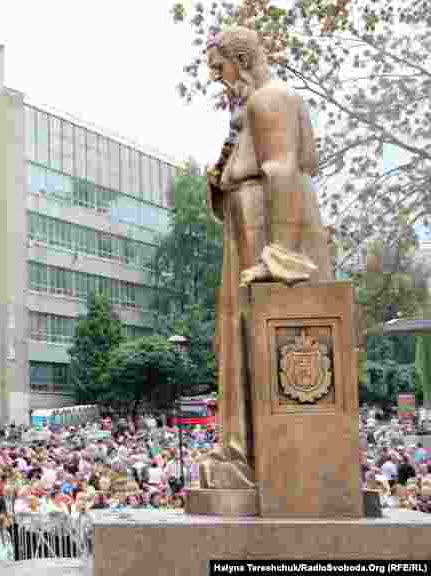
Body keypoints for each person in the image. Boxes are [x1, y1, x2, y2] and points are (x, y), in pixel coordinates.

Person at [200, 24, 331, 487]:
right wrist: (221, 178)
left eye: (220, 67)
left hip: (263, 228)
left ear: (243, 59)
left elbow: (282, 171)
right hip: (247, 219)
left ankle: (253, 454)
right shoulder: (256, 104)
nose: (218, 77)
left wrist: (278, 254)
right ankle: (242, 452)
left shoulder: (269, 98)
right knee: (235, 332)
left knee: (246, 329)